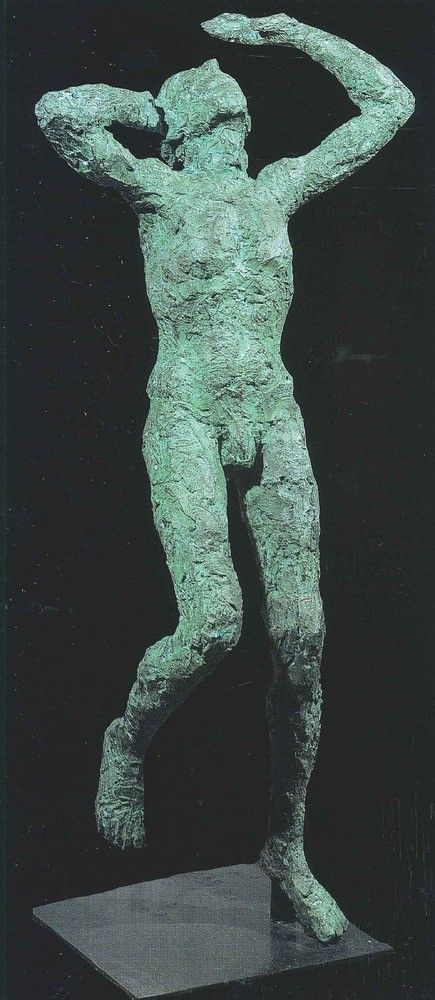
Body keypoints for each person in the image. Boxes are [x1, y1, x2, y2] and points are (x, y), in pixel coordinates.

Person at [35, 13, 414, 942]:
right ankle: (125, 740)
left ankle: (285, 846)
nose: (237, 136)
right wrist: (146, 107)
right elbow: (59, 113)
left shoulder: (278, 189)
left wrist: (289, 31)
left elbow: (389, 104)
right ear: (185, 134)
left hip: (273, 415)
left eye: (241, 121)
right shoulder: (155, 189)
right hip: (190, 414)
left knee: (302, 640)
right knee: (211, 624)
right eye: (219, 123)